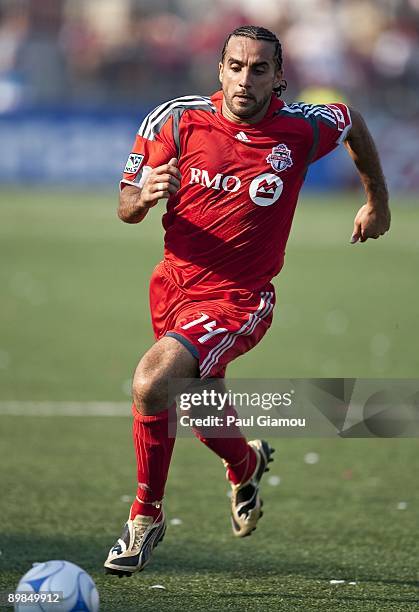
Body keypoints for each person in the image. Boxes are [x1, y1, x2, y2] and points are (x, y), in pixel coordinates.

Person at [104, 25, 390, 576]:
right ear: (219, 69)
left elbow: (352, 121)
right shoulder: (176, 119)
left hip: (241, 299)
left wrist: (376, 201)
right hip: (173, 287)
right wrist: (143, 196)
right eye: (235, 66)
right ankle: (246, 462)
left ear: (279, 77)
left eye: (259, 69)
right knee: (195, 399)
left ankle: (145, 517)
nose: (245, 78)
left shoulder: (301, 129)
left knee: (152, 382)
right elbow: (125, 206)